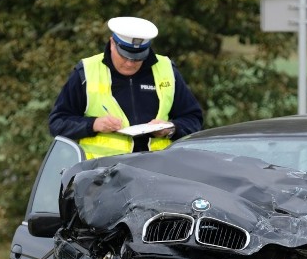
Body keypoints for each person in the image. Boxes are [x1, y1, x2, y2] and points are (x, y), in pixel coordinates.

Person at [49, 16, 204, 159]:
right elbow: (58, 122)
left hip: (156, 173)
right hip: (101, 177)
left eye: (137, 58)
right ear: (112, 44)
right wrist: (94, 124)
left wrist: (170, 129)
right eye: (124, 55)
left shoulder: (167, 70)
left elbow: (193, 119)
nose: (130, 63)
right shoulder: (87, 71)